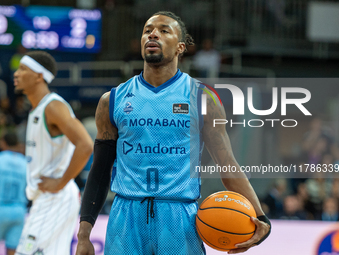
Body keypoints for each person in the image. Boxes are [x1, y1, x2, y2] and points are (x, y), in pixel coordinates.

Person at [76, 11, 270, 255]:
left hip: (180, 218)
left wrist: (261, 217)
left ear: (180, 47)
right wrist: (84, 234)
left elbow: (226, 163)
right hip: (125, 217)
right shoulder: (112, 100)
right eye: (147, 30)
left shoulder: (203, 98)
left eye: (164, 30)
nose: (153, 34)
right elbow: (101, 170)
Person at [13, 51, 93, 255]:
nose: (16, 74)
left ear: (39, 76)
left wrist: (61, 182)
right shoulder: (36, 109)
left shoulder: (53, 106)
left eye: (23, 69)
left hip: (55, 196)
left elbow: (85, 144)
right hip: (48, 198)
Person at [0, 132, 27, 255]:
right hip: (19, 210)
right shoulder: (25, 163)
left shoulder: (1, 159)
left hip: (1, 207)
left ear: (3, 143)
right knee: (13, 250)